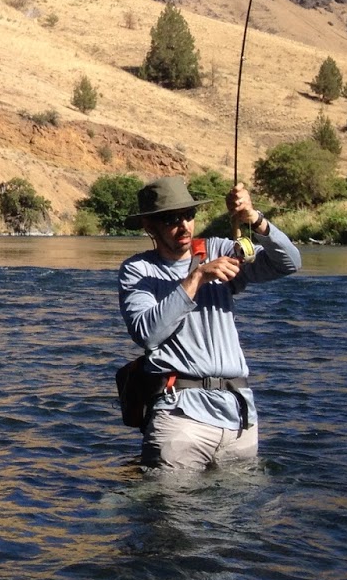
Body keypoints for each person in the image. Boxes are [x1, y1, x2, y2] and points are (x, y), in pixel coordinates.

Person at [117, 175, 301, 470]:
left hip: (239, 419)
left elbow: (289, 263)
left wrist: (254, 220)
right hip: (180, 417)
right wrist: (197, 278)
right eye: (171, 219)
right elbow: (147, 333)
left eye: (188, 215)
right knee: (169, 501)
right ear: (149, 226)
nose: (184, 226)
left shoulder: (219, 249)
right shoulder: (137, 270)